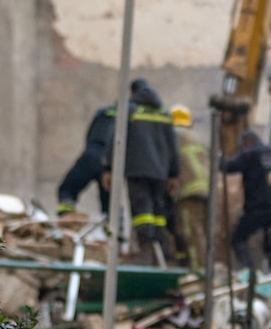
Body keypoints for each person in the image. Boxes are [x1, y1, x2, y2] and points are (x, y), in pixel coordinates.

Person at [102, 78, 180, 266]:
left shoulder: (129, 109)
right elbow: (173, 146)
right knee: (158, 214)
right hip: (160, 172)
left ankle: (145, 252)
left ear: (132, 92)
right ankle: (162, 253)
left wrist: (108, 167)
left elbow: (116, 139)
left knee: (142, 212)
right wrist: (173, 173)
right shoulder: (164, 113)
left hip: (137, 169)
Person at [223, 130, 271, 270]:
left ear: (246, 143)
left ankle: (249, 272)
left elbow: (228, 166)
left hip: (258, 208)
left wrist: (215, 158)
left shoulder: (251, 153)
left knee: (238, 239)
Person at [170, 104, 211, 270]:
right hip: (206, 191)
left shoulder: (174, 137)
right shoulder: (197, 138)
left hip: (188, 192)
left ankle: (198, 272)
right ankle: (201, 268)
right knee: (202, 232)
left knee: (190, 234)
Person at [56, 105, 117, 216]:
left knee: (67, 189)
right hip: (109, 160)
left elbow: (90, 135)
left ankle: (66, 216)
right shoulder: (129, 114)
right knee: (109, 200)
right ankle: (109, 221)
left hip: (90, 154)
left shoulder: (102, 111)